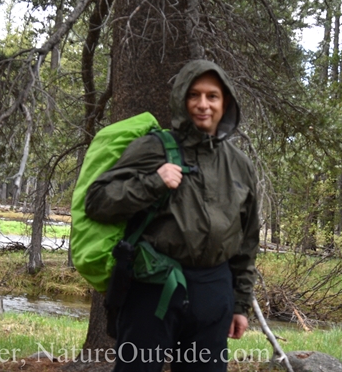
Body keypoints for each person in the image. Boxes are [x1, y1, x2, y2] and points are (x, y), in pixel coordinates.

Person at [85, 59, 259, 372]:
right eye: (194, 95)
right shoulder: (153, 148)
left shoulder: (240, 165)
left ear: (225, 102)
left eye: (212, 96)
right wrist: (153, 182)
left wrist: (240, 304)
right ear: (181, 99)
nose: (202, 105)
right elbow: (97, 201)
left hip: (213, 291)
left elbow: (247, 241)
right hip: (153, 286)